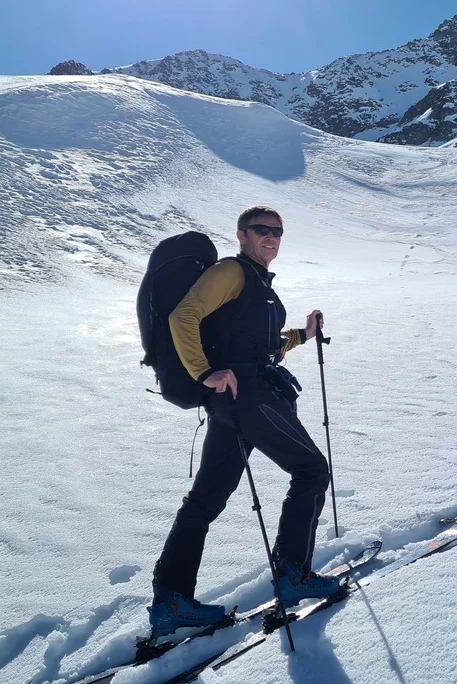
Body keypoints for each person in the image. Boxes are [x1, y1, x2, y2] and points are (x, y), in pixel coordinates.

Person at [148, 206, 338, 639]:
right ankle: (293, 575)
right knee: (311, 470)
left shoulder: (257, 282)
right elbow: (184, 316)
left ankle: (171, 601)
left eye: (278, 232)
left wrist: (304, 334)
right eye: (262, 230)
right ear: (241, 234)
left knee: (205, 500)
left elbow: (261, 344)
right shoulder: (232, 272)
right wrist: (204, 372)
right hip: (245, 396)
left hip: (238, 398)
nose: (271, 237)